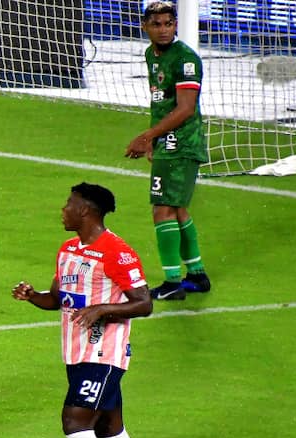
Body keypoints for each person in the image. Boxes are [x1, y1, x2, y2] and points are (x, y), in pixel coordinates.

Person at [12, 182, 154, 438]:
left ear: (86, 211)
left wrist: (103, 309)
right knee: (109, 427)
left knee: (74, 418)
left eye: (69, 204)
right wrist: (33, 298)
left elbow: (144, 303)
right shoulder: (68, 250)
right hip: (76, 354)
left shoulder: (116, 252)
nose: (63, 209)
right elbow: (58, 300)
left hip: (104, 353)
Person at [125, 1, 211, 301]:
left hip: (183, 144)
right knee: (176, 208)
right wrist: (156, 141)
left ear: (175, 25)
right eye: (157, 24)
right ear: (145, 27)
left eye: (168, 24)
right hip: (167, 142)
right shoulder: (151, 54)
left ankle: (173, 281)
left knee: (162, 209)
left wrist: (147, 136)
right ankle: (197, 275)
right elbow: (162, 102)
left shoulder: (186, 59)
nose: (163, 30)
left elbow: (186, 108)